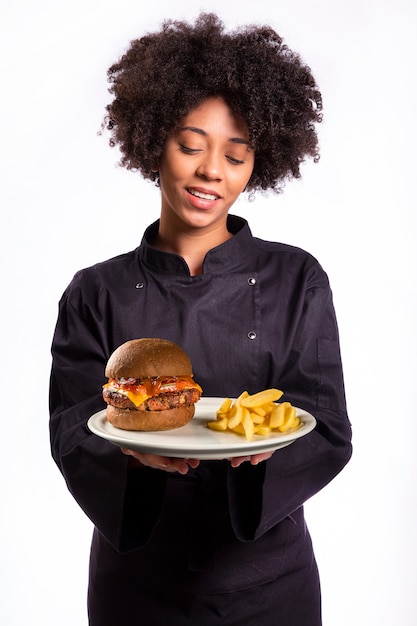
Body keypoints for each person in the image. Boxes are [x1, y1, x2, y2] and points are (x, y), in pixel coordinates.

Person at [49, 13, 352, 626]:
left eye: (235, 156)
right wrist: (136, 461)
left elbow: (329, 428)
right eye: (190, 146)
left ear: (256, 166)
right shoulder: (94, 291)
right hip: (135, 586)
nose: (211, 170)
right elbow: (71, 426)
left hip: (271, 585)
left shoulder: (298, 280)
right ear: (153, 139)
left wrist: (260, 461)